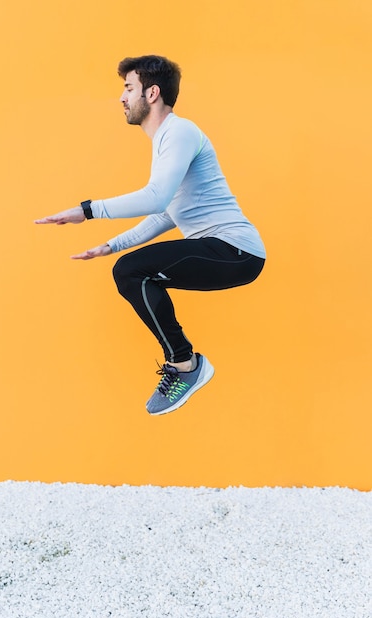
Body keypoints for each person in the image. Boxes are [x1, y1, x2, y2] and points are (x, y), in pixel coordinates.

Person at [35, 54, 266, 415]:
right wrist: (110, 246)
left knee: (130, 271)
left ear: (152, 93)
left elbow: (156, 197)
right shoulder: (167, 143)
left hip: (235, 249)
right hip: (225, 251)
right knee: (128, 270)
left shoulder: (180, 132)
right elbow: (165, 213)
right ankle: (183, 362)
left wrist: (87, 209)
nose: (122, 98)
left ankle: (185, 365)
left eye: (129, 88)